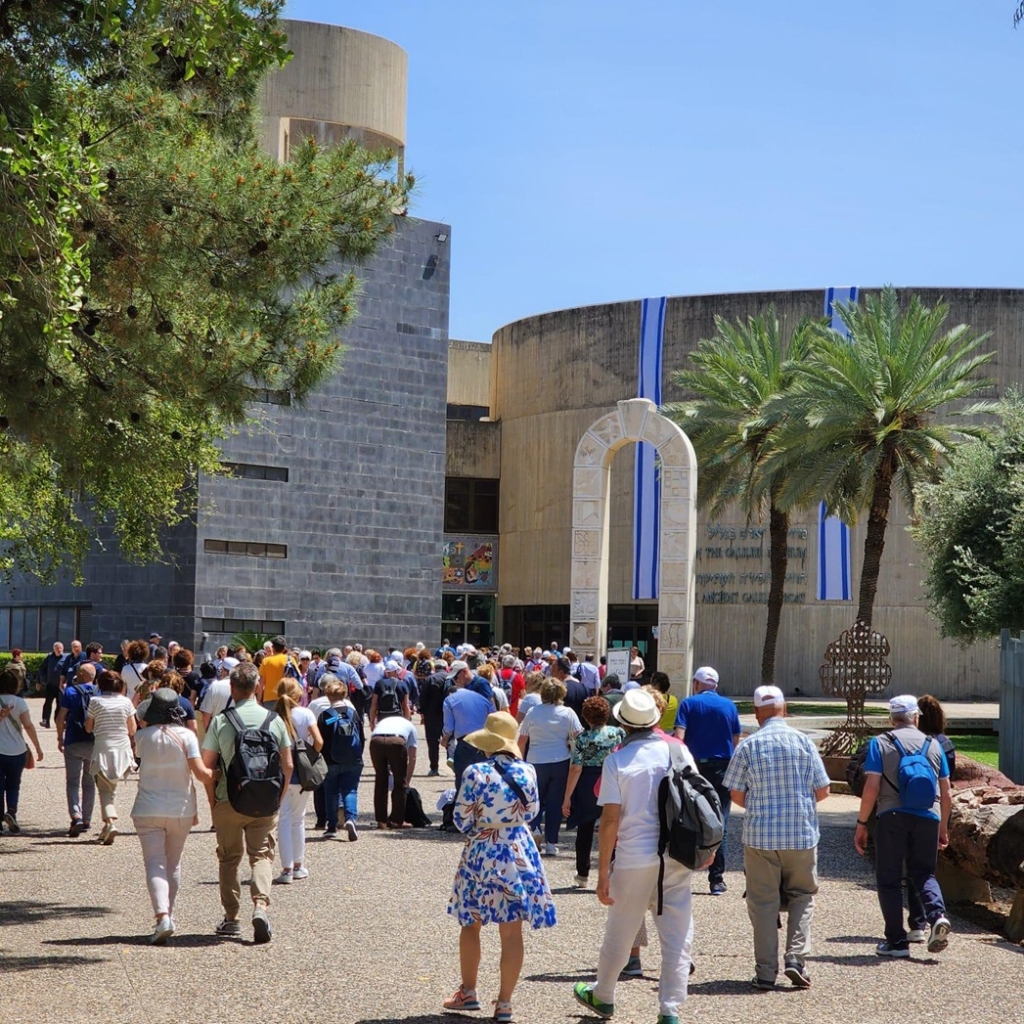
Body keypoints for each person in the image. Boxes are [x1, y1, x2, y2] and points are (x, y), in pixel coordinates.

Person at [572, 689, 696, 1024]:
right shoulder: (678, 750)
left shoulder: (617, 760)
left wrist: (601, 874)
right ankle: (669, 1010)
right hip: (677, 852)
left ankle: (604, 995)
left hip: (633, 855)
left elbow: (610, 820)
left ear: (623, 723)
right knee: (677, 933)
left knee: (620, 929)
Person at [444, 712, 556, 1022]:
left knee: (471, 922)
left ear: (488, 742)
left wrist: (481, 830)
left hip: (483, 849)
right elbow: (532, 811)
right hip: (518, 850)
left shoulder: (475, 772)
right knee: (511, 930)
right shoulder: (528, 771)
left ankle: (468, 992)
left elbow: (461, 818)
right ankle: (504, 1003)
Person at [721, 684, 831, 990]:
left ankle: (766, 972)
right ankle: (796, 958)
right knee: (803, 896)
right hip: (801, 834)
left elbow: (735, 793)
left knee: (763, 903)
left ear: (757, 713)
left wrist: (759, 806)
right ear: (784, 708)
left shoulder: (748, 746)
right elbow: (823, 791)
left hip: (760, 837)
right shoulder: (804, 743)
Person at [200, 661, 293, 944]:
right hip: (265, 800)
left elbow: (207, 767)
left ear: (232, 688)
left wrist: (214, 804)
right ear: (258, 687)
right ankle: (261, 906)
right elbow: (288, 764)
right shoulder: (274, 720)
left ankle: (231, 917)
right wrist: (279, 797)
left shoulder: (221, 721)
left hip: (229, 800)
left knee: (229, 858)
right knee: (261, 855)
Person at [855, 694, 953, 958]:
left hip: (892, 816)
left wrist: (862, 822)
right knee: (924, 874)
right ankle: (937, 916)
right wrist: (943, 828)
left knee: (888, 878)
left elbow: (872, 788)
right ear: (916, 717)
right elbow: (946, 794)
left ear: (892, 718)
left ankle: (897, 942)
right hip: (928, 816)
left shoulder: (880, 743)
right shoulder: (934, 745)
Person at [131, 688, 214, 943]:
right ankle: (169, 913)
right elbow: (200, 774)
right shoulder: (187, 736)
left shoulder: (142, 737)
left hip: (148, 807)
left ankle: (162, 915)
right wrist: (216, 776)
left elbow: (139, 757)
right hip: (181, 808)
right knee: (173, 863)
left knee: (154, 862)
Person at [673, 665, 741, 895]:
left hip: (695, 768)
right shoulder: (729, 706)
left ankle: (682, 874)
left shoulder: (688, 704)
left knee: (688, 818)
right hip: (723, 767)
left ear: (696, 683)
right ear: (716, 685)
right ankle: (717, 879)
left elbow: (680, 738)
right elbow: (735, 739)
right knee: (720, 820)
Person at [562, 695, 623, 888]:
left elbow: (576, 768)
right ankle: (613, 871)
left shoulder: (582, 738)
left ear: (586, 717)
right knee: (613, 826)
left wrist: (567, 796)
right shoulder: (618, 733)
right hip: (612, 778)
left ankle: (582, 874)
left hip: (587, 781)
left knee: (585, 828)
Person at [518, 677, 582, 856]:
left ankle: (535, 828)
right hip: (560, 760)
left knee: (534, 800)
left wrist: (520, 762)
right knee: (555, 804)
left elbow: (522, 740)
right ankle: (552, 842)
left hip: (536, 760)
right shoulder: (568, 713)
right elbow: (579, 736)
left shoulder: (532, 712)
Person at [274, 678, 323, 881]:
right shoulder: (306, 714)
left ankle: (285, 869)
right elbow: (319, 741)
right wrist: (311, 755)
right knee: (298, 819)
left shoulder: (273, 715)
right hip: (302, 774)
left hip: (281, 771)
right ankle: (298, 865)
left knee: (283, 820)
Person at [85, 670, 138, 845]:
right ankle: (106, 827)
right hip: (122, 749)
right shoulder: (126, 703)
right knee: (111, 788)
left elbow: (89, 728)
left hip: (103, 748)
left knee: (104, 790)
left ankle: (110, 821)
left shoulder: (95, 702)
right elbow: (132, 729)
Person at [317, 676, 364, 841]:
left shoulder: (326, 716)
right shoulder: (352, 713)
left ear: (327, 695)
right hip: (353, 758)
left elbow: (320, 739)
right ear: (344, 694)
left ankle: (331, 826)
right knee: (350, 790)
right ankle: (351, 819)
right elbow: (362, 737)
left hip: (331, 760)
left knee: (331, 792)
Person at [55, 661, 98, 837]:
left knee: (72, 781)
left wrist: (60, 737)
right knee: (89, 782)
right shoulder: (99, 692)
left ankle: (76, 815)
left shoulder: (70, 692)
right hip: (93, 742)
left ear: (80, 675)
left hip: (74, 741)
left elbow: (60, 717)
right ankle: (87, 819)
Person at [0, 666, 44, 833]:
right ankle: (11, 812)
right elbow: (28, 726)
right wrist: (38, 748)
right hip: (17, 750)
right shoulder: (19, 702)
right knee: (13, 785)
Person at [441, 661, 493, 791]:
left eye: (456, 677)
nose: (455, 681)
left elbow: (491, 708)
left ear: (464, 671)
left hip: (480, 736)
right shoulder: (465, 688)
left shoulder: (481, 684)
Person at [369, 709, 418, 828]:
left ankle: (381, 820)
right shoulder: (410, 726)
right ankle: (397, 820)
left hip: (376, 741)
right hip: (396, 741)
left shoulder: (384, 721)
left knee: (380, 780)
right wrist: (407, 780)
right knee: (399, 782)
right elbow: (412, 757)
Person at [419, 657, 450, 775]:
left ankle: (434, 767)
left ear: (434, 668)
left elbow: (423, 697)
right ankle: (451, 761)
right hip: (448, 714)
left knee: (432, 742)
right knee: (450, 739)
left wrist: (422, 712)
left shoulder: (430, 679)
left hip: (431, 714)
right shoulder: (450, 678)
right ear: (446, 668)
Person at [369, 657, 411, 728]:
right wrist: (407, 722)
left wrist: (372, 722)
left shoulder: (379, 683)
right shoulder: (402, 684)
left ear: (386, 671)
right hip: (397, 716)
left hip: (382, 717)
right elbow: (406, 706)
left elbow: (374, 704)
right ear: (396, 671)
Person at [38, 640, 66, 727]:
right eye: (57, 648)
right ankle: (45, 721)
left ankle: (58, 721)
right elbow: (42, 668)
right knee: (47, 703)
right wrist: (40, 680)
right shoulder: (50, 657)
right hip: (50, 685)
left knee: (60, 704)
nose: (59, 650)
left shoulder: (66, 658)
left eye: (60, 648)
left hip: (60, 686)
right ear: (54, 649)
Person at [120, 638, 151, 704]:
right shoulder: (148, 668)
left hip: (129, 702)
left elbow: (123, 689)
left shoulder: (125, 669)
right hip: (144, 702)